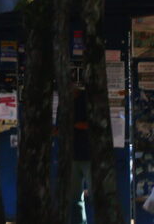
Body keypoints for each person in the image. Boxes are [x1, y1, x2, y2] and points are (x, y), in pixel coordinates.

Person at [71, 86, 91, 224]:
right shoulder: (65, 103)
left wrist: (73, 125)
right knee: (75, 197)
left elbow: (90, 124)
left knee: (95, 193)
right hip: (73, 154)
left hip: (89, 154)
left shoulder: (87, 100)